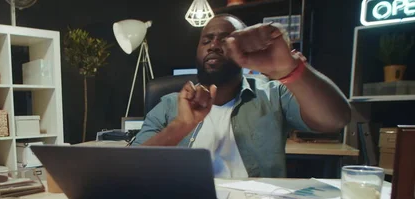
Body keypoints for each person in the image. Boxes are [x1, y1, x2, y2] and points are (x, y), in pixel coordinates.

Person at [132, 14, 351, 178]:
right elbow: (132, 167)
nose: (214, 46)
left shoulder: (272, 94)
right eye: (206, 40)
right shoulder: (168, 105)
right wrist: (179, 126)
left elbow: (336, 120)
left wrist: (291, 70)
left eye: (226, 40)